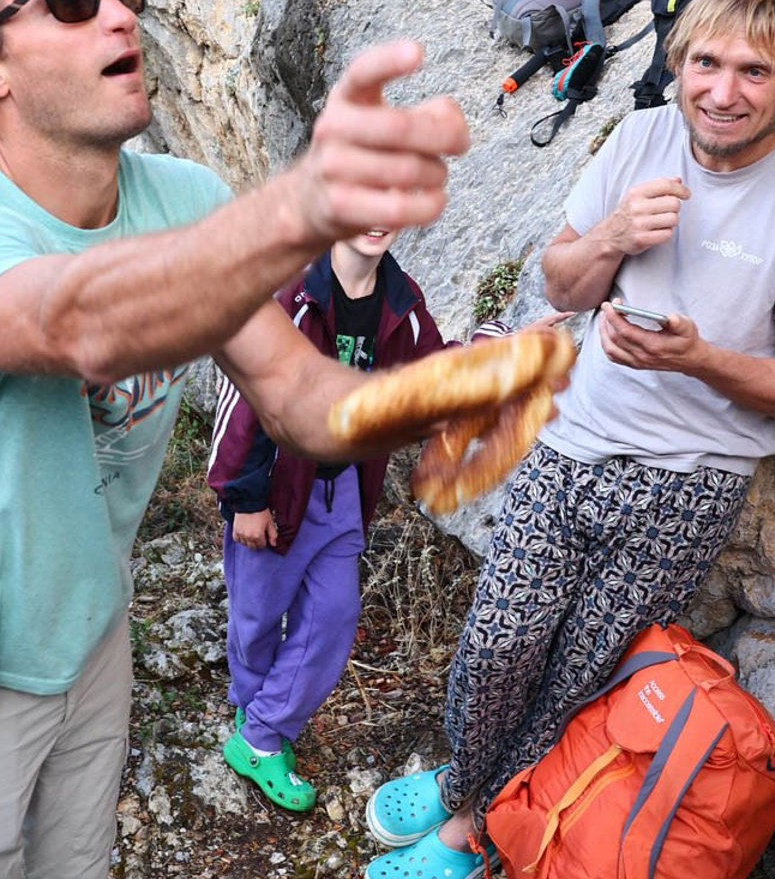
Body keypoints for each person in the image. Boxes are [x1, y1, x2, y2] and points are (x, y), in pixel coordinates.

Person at [0, 0, 477, 879]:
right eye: (69, 1)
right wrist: (300, 207)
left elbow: (296, 395)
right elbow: (79, 324)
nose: (117, 13)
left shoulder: (183, 201)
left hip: (93, 635)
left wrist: (445, 395)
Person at [362, 0, 775, 879]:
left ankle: (475, 829)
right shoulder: (641, 138)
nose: (722, 91)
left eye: (754, 72)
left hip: (688, 484)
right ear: (678, 63)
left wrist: (697, 358)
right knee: (499, 642)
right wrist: (611, 237)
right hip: (573, 441)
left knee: (583, 671)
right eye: (706, 63)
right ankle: (466, 782)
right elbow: (561, 280)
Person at [209, 228, 533, 810]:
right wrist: (244, 498)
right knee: (256, 616)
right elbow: (243, 394)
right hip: (277, 489)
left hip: (343, 491)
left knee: (333, 614)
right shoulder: (288, 291)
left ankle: (261, 735)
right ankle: (250, 703)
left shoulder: (399, 301)